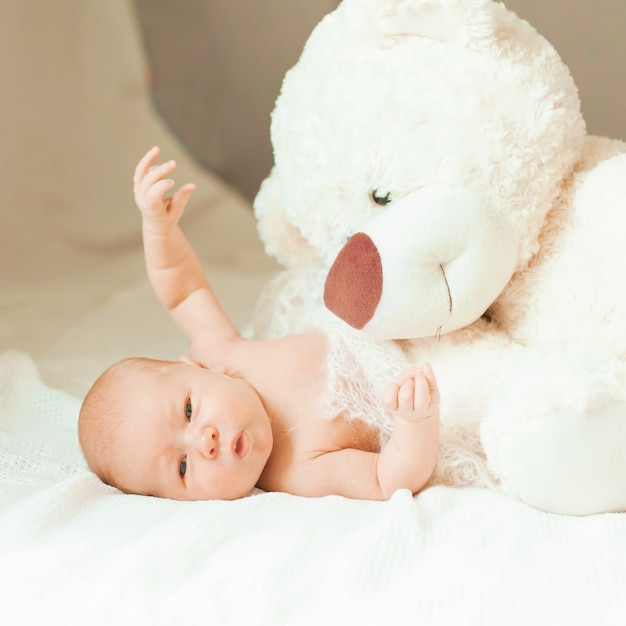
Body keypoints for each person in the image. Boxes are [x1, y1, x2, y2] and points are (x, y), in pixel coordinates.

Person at [78, 146, 440, 501]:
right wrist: (416, 422)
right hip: (428, 368)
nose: (204, 441)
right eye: (183, 467)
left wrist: (157, 227)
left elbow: (183, 292)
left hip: (381, 304)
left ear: (199, 368)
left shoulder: (223, 355)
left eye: (189, 410)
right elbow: (385, 479)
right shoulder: (298, 471)